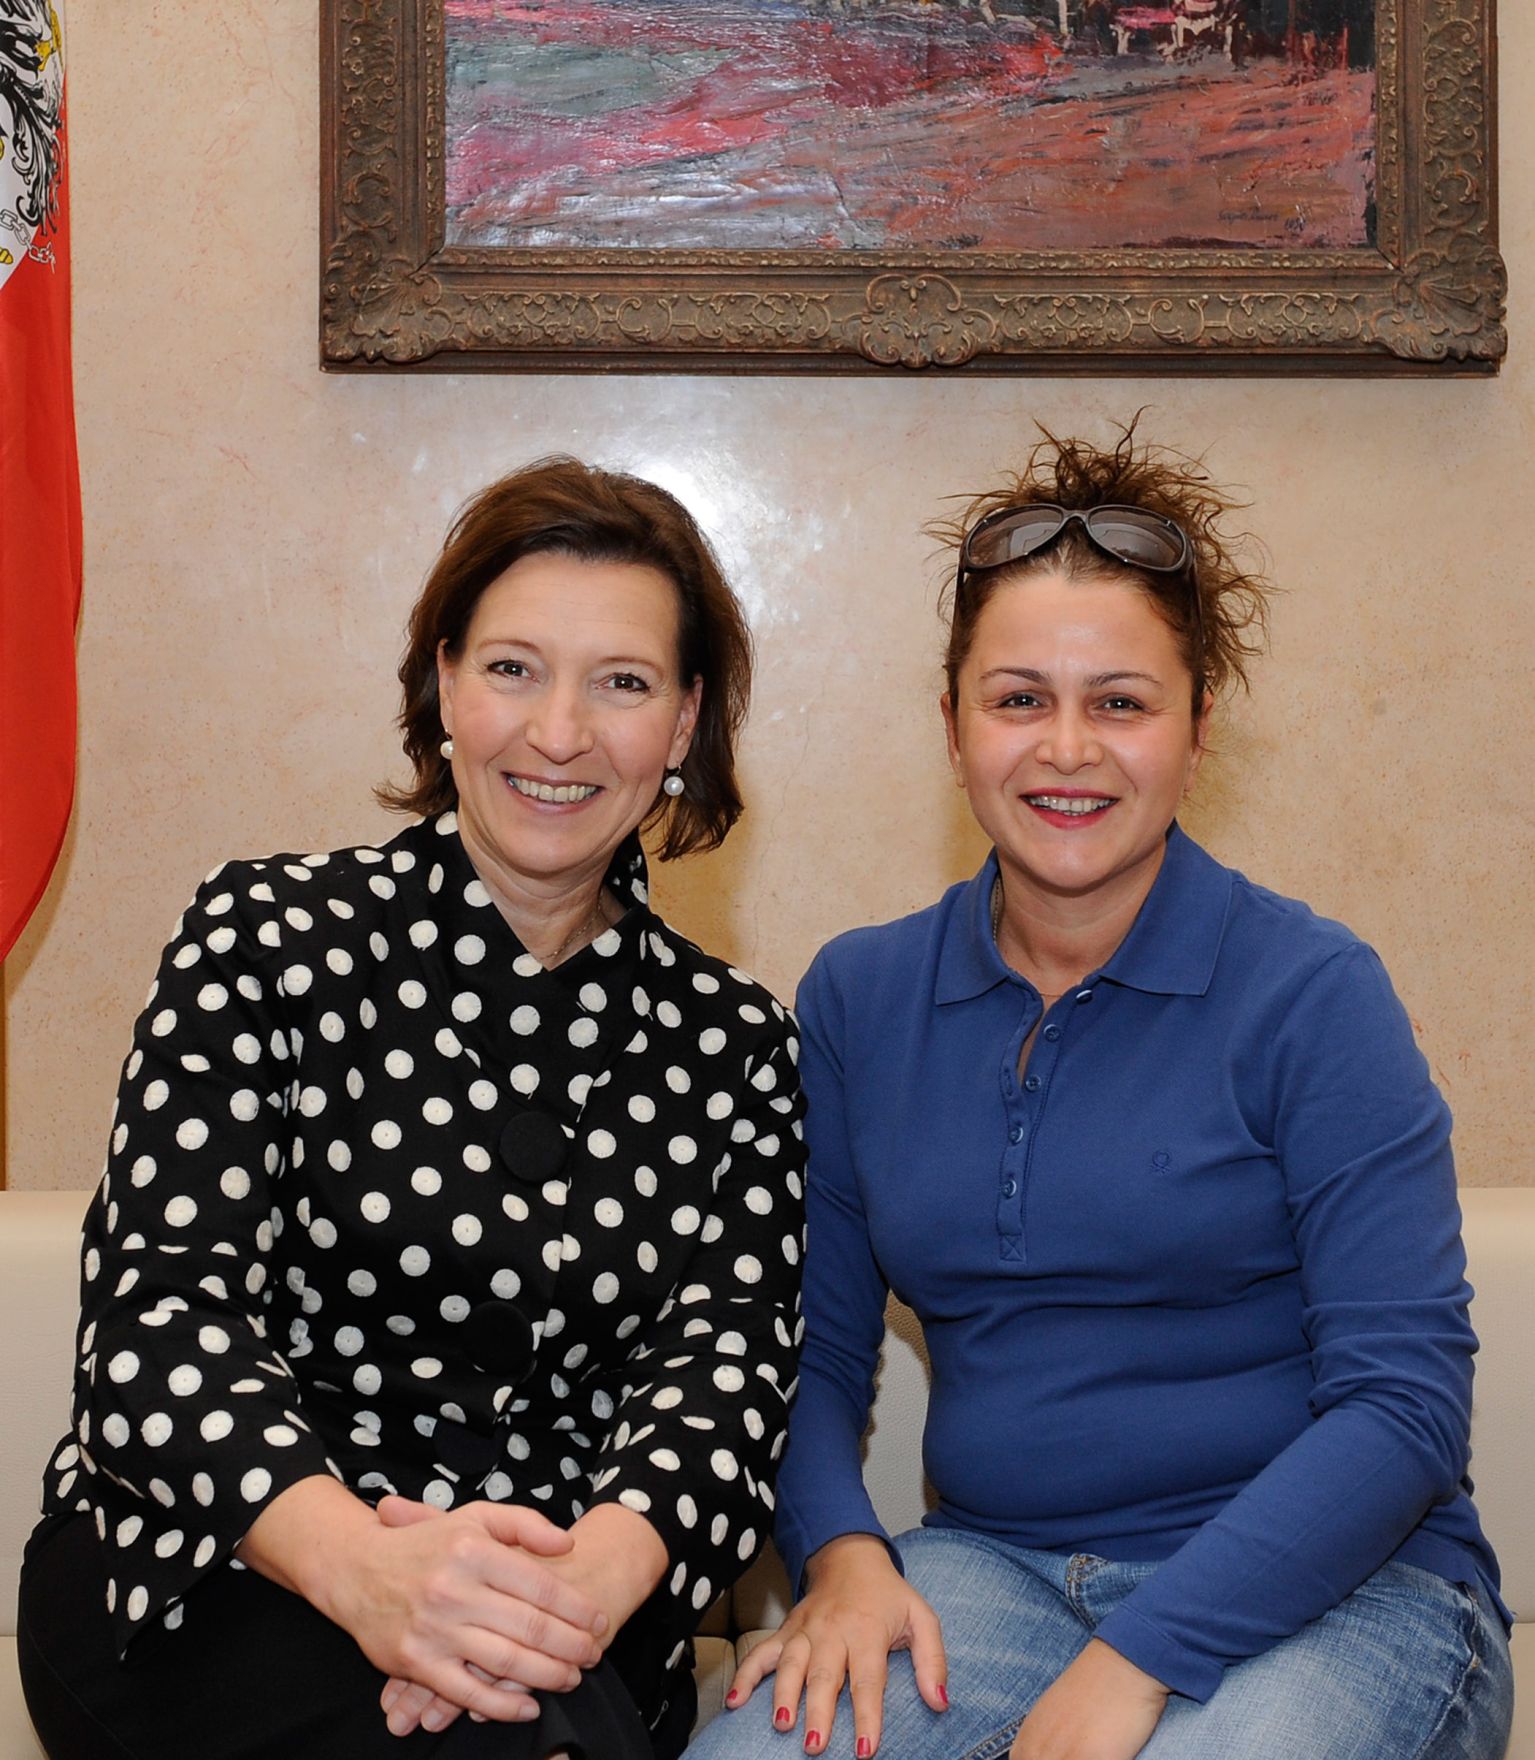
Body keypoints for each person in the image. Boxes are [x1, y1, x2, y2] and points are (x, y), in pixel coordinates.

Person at [688, 429, 1513, 1760]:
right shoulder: (858, 998)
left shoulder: (1313, 992)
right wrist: (840, 1550)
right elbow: (817, 1352)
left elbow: (1405, 1402)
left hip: (1351, 1596)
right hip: (994, 1573)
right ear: (953, 729)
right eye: (1018, 699)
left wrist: (1143, 1656)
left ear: (1198, 733)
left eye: (1122, 703)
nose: (1067, 749)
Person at [18, 457, 807, 1760]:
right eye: (512, 667)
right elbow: (158, 1319)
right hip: (225, 1564)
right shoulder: (263, 937)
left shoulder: (735, 1044)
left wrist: (572, 1595)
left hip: (561, 1609)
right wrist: (373, 1579)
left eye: (621, 682)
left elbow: (725, 1381)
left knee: (529, 1727)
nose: (559, 731)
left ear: (682, 726)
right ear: (443, 684)